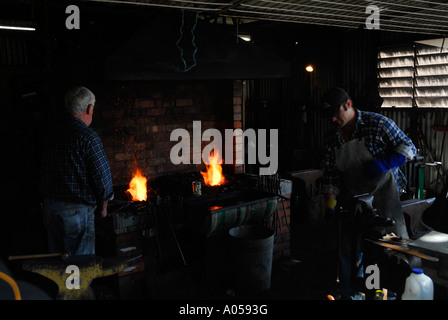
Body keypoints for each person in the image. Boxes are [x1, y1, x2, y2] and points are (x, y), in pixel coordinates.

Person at [321, 87, 416, 299]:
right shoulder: (331, 141)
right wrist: (330, 205)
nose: (334, 120)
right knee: (348, 252)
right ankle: (351, 293)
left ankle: (388, 294)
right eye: (330, 117)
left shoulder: (378, 124)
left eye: (337, 114)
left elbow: (409, 147)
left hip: (384, 200)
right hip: (353, 203)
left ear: (348, 104)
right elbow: (331, 177)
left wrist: (386, 163)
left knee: (388, 251)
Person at [40, 86, 114, 256]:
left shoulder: (51, 134)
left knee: (59, 265)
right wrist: (104, 205)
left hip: (50, 209)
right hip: (75, 213)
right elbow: (103, 178)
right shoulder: (88, 137)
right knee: (79, 267)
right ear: (89, 108)